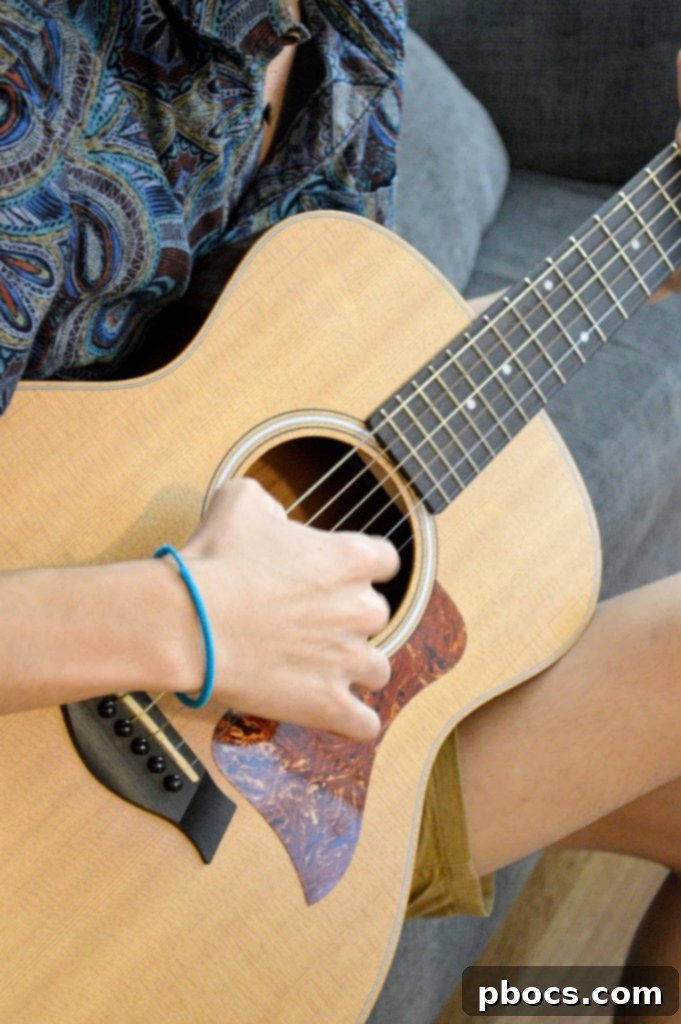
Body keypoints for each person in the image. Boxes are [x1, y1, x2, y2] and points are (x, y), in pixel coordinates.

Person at [1, 0, 680, 1011]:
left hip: (269, 771)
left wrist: (647, 255)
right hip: (79, 804)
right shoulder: (33, 69)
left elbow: (302, 374)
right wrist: (189, 617)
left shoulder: (348, 30)